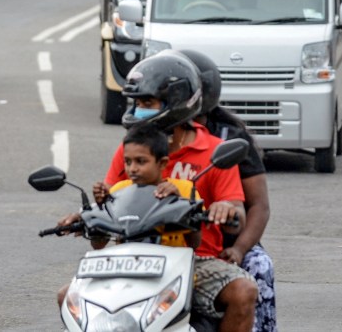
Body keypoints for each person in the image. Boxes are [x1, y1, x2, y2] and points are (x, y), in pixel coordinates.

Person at [103, 51, 259, 330]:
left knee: (243, 292)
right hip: (130, 260)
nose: (139, 110)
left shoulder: (213, 151)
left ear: (175, 102)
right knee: (70, 296)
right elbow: (109, 198)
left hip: (194, 261)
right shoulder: (130, 148)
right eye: (136, 103)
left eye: (147, 103)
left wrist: (227, 210)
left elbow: (237, 211)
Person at [55, 126, 208, 308]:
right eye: (127, 162)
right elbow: (99, 245)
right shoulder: (119, 191)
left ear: (162, 163)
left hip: (170, 274)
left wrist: (180, 204)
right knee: (66, 296)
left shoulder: (183, 189)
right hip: (122, 271)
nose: (132, 169)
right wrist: (99, 215)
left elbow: (194, 243)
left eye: (141, 162)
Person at [181, 49, 278, 332]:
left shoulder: (229, 138)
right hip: (171, 240)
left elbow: (259, 206)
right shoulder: (155, 135)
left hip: (227, 240)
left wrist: (239, 248)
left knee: (260, 267)